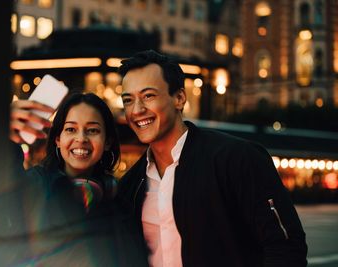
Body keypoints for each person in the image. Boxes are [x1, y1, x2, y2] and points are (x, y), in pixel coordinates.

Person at [116, 50, 308, 266]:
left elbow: (286, 247)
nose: (137, 110)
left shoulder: (236, 159)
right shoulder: (130, 186)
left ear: (179, 98)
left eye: (148, 96)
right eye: (128, 100)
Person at [9, 93, 148, 266]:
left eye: (93, 130)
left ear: (107, 142)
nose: (81, 139)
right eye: (70, 129)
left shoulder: (121, 202)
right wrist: (4, 132)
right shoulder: (34, 185)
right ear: (58, 140)